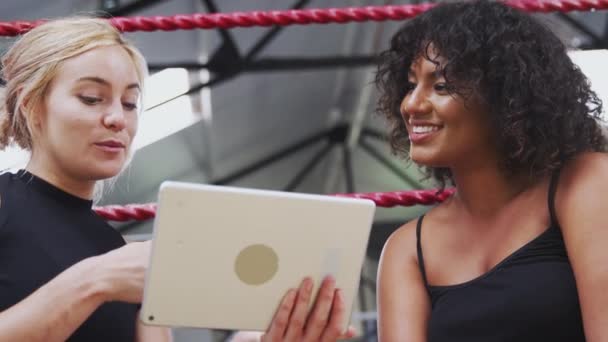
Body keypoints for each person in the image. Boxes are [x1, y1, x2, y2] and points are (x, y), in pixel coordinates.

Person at [0, 17, 355, 342]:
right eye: (91, 98)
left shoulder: (123, 257)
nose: (117, 119)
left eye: (129, 103)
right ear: (32, 107)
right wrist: (94, 281)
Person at [375, 1, 608, 341]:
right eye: (411, 85)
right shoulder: (406, 249)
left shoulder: (584, 183)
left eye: (441, 86)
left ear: (506, 96)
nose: (412, 104)